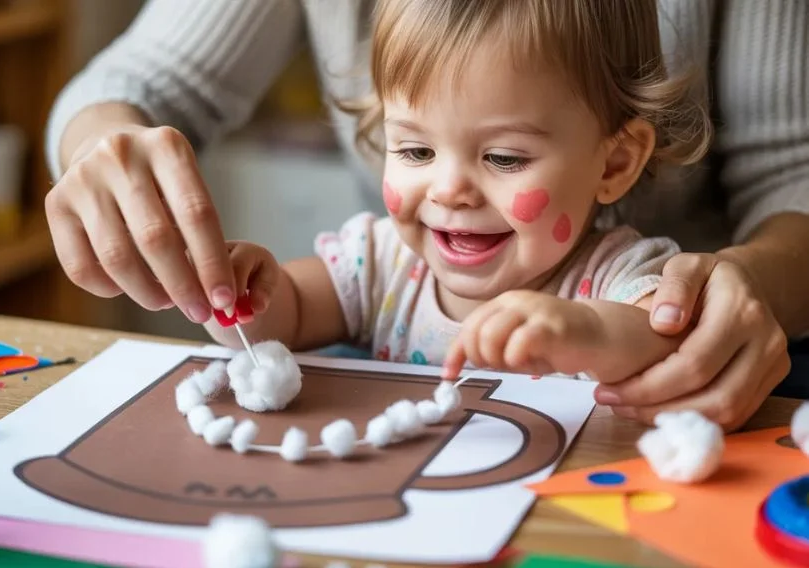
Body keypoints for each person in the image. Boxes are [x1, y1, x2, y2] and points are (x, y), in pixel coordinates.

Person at [43, 0, 809, 431]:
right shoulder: (383, 260)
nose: (449, 191)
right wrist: (242, 292)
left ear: (615, 162)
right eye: (413, 151)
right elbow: (294, 310)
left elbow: (654, 335)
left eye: (504, 159)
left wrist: (575, 333)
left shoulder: (615, 274)